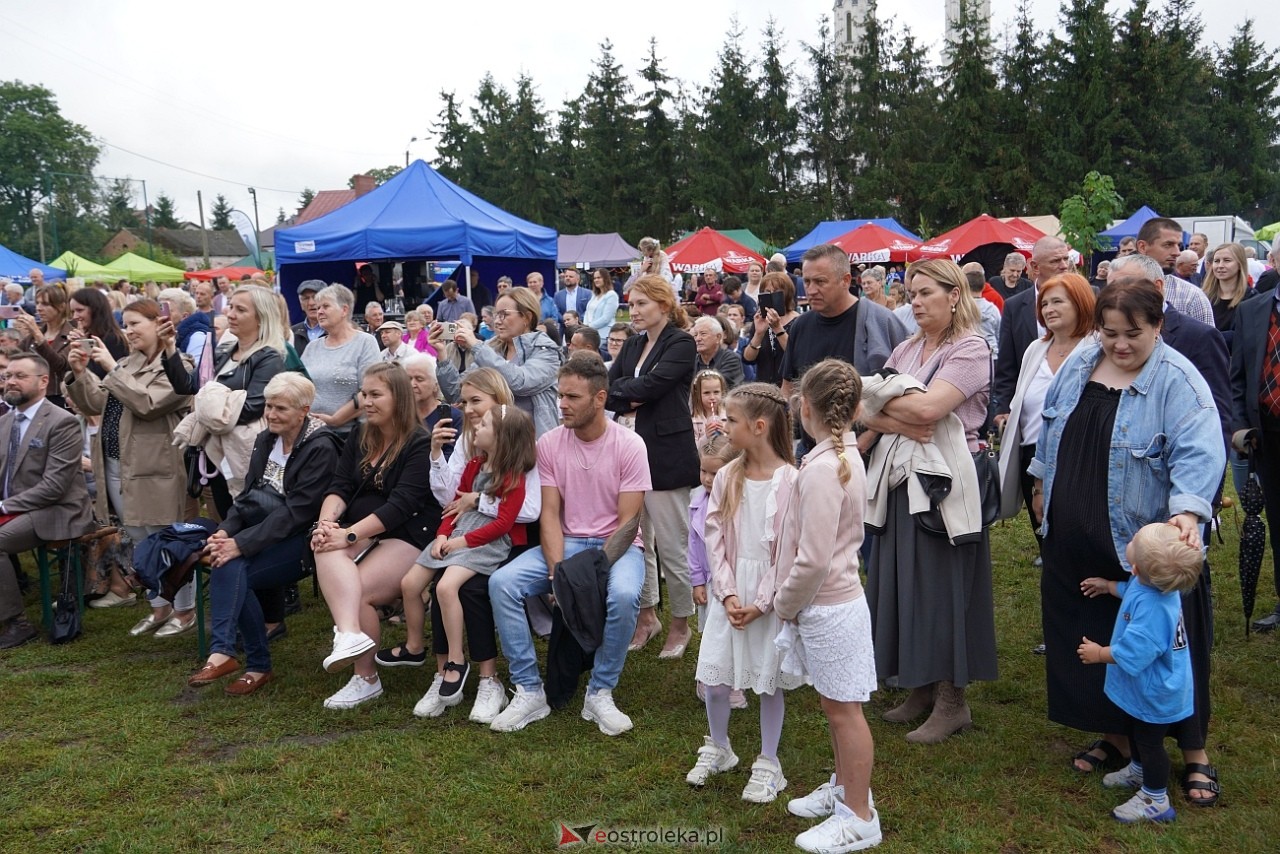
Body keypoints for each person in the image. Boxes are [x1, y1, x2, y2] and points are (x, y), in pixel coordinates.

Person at [1029, 281, 1222, 800]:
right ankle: (1117, 737)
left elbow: (1200, 454)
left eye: (1132, 334)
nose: (1118, 345)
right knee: (1089, 628)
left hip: (1139, 541)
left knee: (1169, 649)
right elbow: (1052, 424)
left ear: (1158, 326)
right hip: (1073, 536)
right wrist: (1043, 479)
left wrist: (1186, 511)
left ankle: (1193, 751)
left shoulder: (1180, 380)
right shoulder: (1081, 359)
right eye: (1109, 333)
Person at [859, 258, 998, 743]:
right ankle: (918, 684)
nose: (914, 301)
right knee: (903, 581)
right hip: (901, 475)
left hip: (949, 484)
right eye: (911, 292)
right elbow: (862, 405)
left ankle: (952, 701)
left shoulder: (972, 349)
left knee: (944, 588)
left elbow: (930, 408)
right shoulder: (906, 346)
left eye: (925, 292)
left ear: (954, 295)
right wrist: (897, 421)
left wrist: (884, 408)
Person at [488, 356, 650, 735]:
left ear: (599, 398)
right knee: (502, 584)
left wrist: (587, 575)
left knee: (624, 596)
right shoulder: (550, 443)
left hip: (617, 547)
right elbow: (549, 514)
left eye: (572, 397)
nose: (562, 403)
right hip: (568, 541)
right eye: (560, 395)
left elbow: (629, 523)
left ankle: (600, 691)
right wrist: (559, 573)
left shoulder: (630, 444)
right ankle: (529, 690)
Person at [776, 358, 882, 852]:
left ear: (805, 409)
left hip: (828, 605)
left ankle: (858, 815)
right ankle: (844, 788)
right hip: (834, 603)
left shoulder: (824, 469)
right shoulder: (839, 456)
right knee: (835, 703)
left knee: (845, 712)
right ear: (855, 408)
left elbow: (814, 558)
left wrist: (785, 604)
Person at [187, 374, 341, 694]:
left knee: (233, 566)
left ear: (304, 411)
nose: (270, 414)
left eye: (280, 408)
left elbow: (296, 512)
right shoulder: (266, 438)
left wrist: (240, 544)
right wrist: (226, 531)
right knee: (226, 560)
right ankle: (235, 657)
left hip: (303, 541)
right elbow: (247, 497)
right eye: (268, 406)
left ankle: (248, 661)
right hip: (263, 531)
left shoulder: (321, 447)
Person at [687, 382, 802, 803]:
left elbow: (789, 549)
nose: (722, 424)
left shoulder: (791, 480)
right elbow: (713, 535)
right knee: (715, 677)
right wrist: (729, 592)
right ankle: (720, 746)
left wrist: (761, 602)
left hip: (768, 597)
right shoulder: (729, 475)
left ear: (758, 426)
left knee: (769, 682)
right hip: (731, 593)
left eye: (731, 420)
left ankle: (769, 760)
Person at [312, 363, 440, 710]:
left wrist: (349, 535)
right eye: (363, 394)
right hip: (364, 528)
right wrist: (326, 524)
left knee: (361, 590)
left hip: (410, 532)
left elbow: (401, 506)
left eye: (375, 395)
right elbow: (340, 485)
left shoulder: (419, 443)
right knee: (323, 545)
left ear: (397, 397)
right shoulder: (361, 435)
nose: (365, 402)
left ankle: (364, 675)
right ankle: (352, 637)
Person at [68, 299, 196, 636]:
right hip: (115, 464)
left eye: (136, 323)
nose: (129, 330)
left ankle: (185, 611)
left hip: (154, 467)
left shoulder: (177, 364)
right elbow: (96, 403)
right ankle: (158, 607)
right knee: (139, 539)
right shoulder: (127, 362)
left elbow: (147, 404)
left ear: (159, 324)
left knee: (167, 540)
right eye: (126, 324)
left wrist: (111, 370)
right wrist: (80, 374)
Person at [409, 405, 537, 721]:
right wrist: (442, 536)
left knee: (449, 587)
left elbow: (506, 522)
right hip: (458, 535)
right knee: (412, 584)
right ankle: (424, 656)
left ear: (503, 437)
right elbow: (453, 506)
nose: (474, 426)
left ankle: (462, 666)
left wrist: (460, 541)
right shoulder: (474, 465)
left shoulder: (513, 475)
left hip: (486, 543)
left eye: (484, 423)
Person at [1077, 523, 1202, 824]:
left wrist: (1099, 654)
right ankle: (1138, 769)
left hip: (1156, 691)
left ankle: (1155, 798)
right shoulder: (1151, 585)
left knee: (1150, 742)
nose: (1130, 538)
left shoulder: (1154, 611)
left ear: (1134, 566)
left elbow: (1133, 652)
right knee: (1135, 730)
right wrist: (1109, 586)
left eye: (1133, 539)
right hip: (1148, 689)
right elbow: (1132, 590)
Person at [606, 275, 700, 661]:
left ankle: (681, 621)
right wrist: (630, 394)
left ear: (664, 304)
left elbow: (655, 386)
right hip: (628, 454)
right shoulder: (630, 344)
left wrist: (629, 390)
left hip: (666, 455)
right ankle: (647, 617)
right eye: (632, 303)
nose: (635, 310)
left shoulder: (681, 341)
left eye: (642, 303)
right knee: (634, 538)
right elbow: (608, 389)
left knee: (673, 547)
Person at [164, 285, 287, 516]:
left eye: (240, 309)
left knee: (247, 519)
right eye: (230, 307)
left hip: (245, 457)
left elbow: (251, 408)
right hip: (215, 456)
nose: (230, 314)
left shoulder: (269, 357)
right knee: (224, 518)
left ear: (261, 318)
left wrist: (205, 406)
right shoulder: (223, 352)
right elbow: (189, 386)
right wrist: (169, 348)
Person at [996, 274, 1096, 553]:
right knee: (1044, 529)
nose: (1048, 309)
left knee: (1080, 535)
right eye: (1044, 304)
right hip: (1033, 453)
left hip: (1080, 455)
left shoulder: (1097, 348)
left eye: (1057, 302)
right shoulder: (1035, 349)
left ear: (1080, 303)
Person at [0, 354, 95, 648]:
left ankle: (17, 623)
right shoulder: (4, 422)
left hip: (56, 510)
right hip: (17, 506)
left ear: (44, 382)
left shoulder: (61, 422)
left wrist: (3, 507)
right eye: (7, 376)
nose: (10, 382)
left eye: (19, 376)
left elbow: (54, 487)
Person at [780, 244, 906, 404]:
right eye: (807, 282)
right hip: (808, 427)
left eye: (820, 281)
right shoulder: (800, 325)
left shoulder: (882, 322)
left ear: (845, 281)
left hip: (866, 426)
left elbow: (905, 388)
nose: (811, 290)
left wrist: (872, 429)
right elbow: (788, 388)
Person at [434, 287, 562, 437]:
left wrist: (476, 346)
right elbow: (457, 394)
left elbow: (520, 382)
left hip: (532, 444)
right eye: (496, 315)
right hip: (494, 443)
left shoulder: (545, 350)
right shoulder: (491, 349)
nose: (497, 321)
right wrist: (442, 354)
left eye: (504, 315)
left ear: (527, 317)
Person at [300, 284, 380, 438]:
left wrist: (335, 420)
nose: (320, 312)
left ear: (344, 310)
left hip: (349, 436)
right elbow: (299, 386)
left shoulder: (364, 342)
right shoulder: (313, 347)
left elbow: (370, 391)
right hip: (311, 434)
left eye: (325, 306)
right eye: (318, 308)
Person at [1136, 217, 1214, 326]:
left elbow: (1207, 340)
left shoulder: (1192, 296)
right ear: (1143, 247)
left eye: (1179, 246)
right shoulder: (1117, 289)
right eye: (1168, 245)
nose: (1177, 252)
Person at [11, 285, 75, 408]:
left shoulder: (72, 335)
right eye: (38, 303)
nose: (39, 308)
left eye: (45, 304)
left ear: (61, 306)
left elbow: (60, 365)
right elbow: (13, 357)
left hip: (59, 399)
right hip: (32, 397)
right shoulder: (33, 336)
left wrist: (37, 334)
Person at [743, 272, 801, 387]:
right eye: (767, 292)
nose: (771, 295)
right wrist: (758, 334)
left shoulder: (798, 321)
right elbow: (748, 358)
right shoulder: (761, 320)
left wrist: (778, 328)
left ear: (787, 293)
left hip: (789, 388)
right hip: (763, 388)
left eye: (776, 291)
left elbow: (797, 356)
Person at [1202, 242, 1256, 346]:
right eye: (1216, 261)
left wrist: (1209, 337)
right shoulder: (1202, 296)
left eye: (1227, 260)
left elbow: (1245, 335)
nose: (1220, 265)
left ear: (1240, 264)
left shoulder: (1252, 299)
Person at [691, 316, 745, 390]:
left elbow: (717, 386)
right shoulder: (692, 361)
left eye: (703, 334)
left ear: (718, 337)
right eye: (695, 335)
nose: (698, 339)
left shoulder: (731, 359)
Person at [690, 369, 727, 444]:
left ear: (722, 392)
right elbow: (693, 450)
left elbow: (736, 447)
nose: (712, 397)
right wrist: (705, 437)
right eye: (706, 393)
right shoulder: (693, 420)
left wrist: (725, 434)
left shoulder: (728, 416)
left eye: (716, 392)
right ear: (697, 394)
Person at [290, 280, 325, 355]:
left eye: (315, 297)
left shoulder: (336, 330)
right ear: (301, 303)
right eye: (306, 298)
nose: (311, 303)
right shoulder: (292, 333)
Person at [583, 269, 619, 338]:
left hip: (603, 334)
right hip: (588, 333)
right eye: (594, 278)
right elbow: (587, 312)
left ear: (605, 279)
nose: (596, 280)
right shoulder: (594, 295)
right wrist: (585, 326)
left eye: (599, 278)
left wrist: (589, 326)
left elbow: (606, 318)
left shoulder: (611, 295)